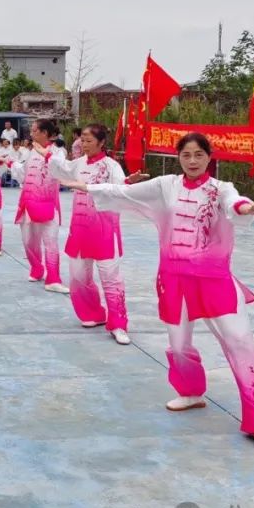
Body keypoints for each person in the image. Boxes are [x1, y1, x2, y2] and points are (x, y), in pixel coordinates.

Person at [62, 132, 254, 454]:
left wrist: (250, 208)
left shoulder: (220, 190)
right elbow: (126, 193)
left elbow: (235, 205)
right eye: (186, 156)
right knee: (179, 343)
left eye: (199, 155)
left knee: (239, 342)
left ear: (210, 157)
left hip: (215, 280)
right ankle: (191, 392)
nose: (193, 161)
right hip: (174, 278)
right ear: (178, 158)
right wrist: (92, 188)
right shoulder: (166, 185)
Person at [48, 124, 146, 344]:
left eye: (89, 140)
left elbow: (120, 188)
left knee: (111, 279)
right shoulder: (79, 163)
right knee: (78, 277)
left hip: (104, 229)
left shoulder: (111, 165)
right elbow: (59, 169)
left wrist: (130, 181)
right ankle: (92, 313)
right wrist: (49, 153)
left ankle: (118, 324)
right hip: (79, 229)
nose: (84, 144)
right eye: (82, 140)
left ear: (101, 143)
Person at [10, 118, 68, 294]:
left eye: (34, 130)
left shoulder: (58, 152)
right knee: (29, 241)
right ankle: (36, 268)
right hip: (28, 203)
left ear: (44, 133)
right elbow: (23, 172)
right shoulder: (31, 152)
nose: (31, 133)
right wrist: (10, 164)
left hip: (48, 204)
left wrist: (46, 154)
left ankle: (53, 278)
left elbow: (62, 169)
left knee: (50, 242)